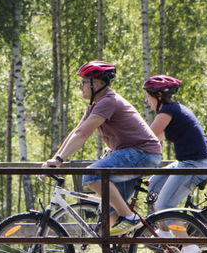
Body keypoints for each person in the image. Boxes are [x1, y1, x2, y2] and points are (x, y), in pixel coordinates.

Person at [42, 61, 162, 235]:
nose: (80, 86)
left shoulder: (108, 101)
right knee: (110, 211)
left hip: (142, 153)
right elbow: (76, 131)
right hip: (137, 154)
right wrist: (56, 158)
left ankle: (129, 216)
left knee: (92, 175)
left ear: (97, 83)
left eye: (84, 82)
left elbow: (83, 134)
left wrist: (59, 160)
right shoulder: (95, 105)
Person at [143, 74, 207, 253]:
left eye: (148, 96)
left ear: (158, 96)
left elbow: (147, 138)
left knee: (166, 204)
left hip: (195, 164)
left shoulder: (168, 111)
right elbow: (155, 140)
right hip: (186, 162)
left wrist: (118, 149)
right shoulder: (174, 111)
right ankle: (165, 232)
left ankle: (188, 245)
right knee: (153, 186)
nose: (146, 100)